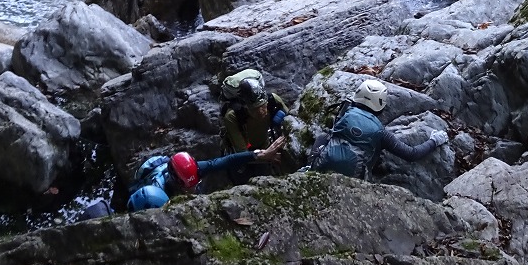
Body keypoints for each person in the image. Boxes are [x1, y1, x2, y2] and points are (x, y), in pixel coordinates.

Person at [306, 78, 448, 179]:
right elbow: (411, 154)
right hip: (353, 179)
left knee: (323, 137)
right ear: (381, 105)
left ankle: (308, 169)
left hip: (321, 166)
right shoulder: (381, 133)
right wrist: (435, 140)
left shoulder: (345, 112)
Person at [127, 143, 283, 211]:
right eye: (190, 187)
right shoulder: (157, 196)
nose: (195, 188)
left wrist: (258, 154)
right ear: (178, 184)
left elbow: (225, 161)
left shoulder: (191, 171)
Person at [222, 72, 288, 153]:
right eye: (255, 109)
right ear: (246, 108)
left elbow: (291, 121)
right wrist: (265, 154)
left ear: (267, 102)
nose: (260, 112)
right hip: (243, 151)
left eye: (263, 106)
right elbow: (242, 152)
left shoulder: (273, 100)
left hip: (265, 143)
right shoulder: (233, 116)